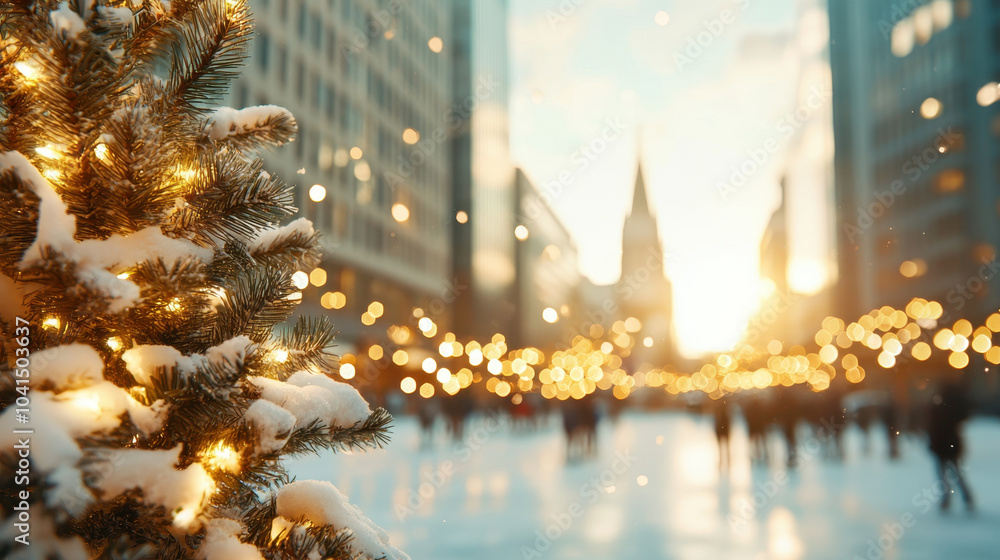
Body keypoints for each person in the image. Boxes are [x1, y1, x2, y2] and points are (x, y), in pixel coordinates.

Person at [927, 382, 974, 512]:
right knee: (955, 472)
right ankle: (965, 496)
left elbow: (932, 427)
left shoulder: (938, 406)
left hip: (941, 444)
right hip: (949, 444)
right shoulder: (953, 407)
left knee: (944, 473)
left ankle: (948, 498)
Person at [714, 398, 732, 469]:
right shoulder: (726, 413)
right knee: (724, 446)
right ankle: (726, 459)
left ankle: (725, 460)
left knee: (723, 447)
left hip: (722, 432)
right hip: (723, 432)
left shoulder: (719, 414)